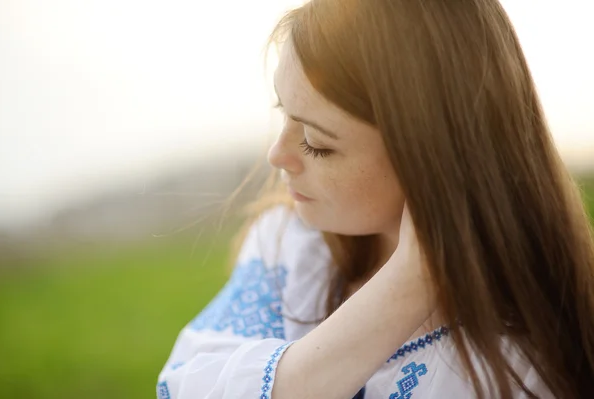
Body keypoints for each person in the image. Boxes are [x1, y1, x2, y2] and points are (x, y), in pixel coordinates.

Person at [157, 0, 594, 398]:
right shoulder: (291, 245)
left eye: (316, 142)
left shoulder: (523, 366)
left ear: (430, 158)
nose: (278, 155)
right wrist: (405, 285)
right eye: (284, 114)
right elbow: (183, 385)